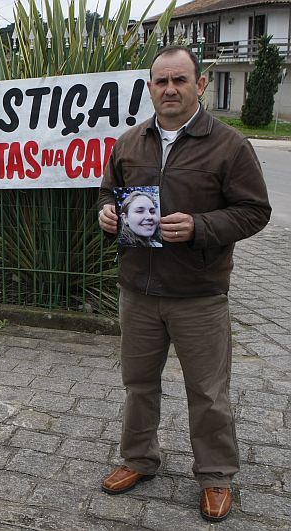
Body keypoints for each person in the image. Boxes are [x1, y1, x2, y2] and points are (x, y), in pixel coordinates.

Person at [98, 45, 271, 523]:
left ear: (199, 85)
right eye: (161, 81)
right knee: (138, 384)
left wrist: (201, 227)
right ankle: (138, 459)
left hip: (199, 292)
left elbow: (255, 211)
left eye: (179, 80)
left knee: (208, 390)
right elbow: (108, 192)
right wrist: (106, 214)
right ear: (150, 87)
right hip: (138, 290)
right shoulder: (130, 142)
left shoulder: (230, 145)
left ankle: (215, 475)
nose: (169, 89)